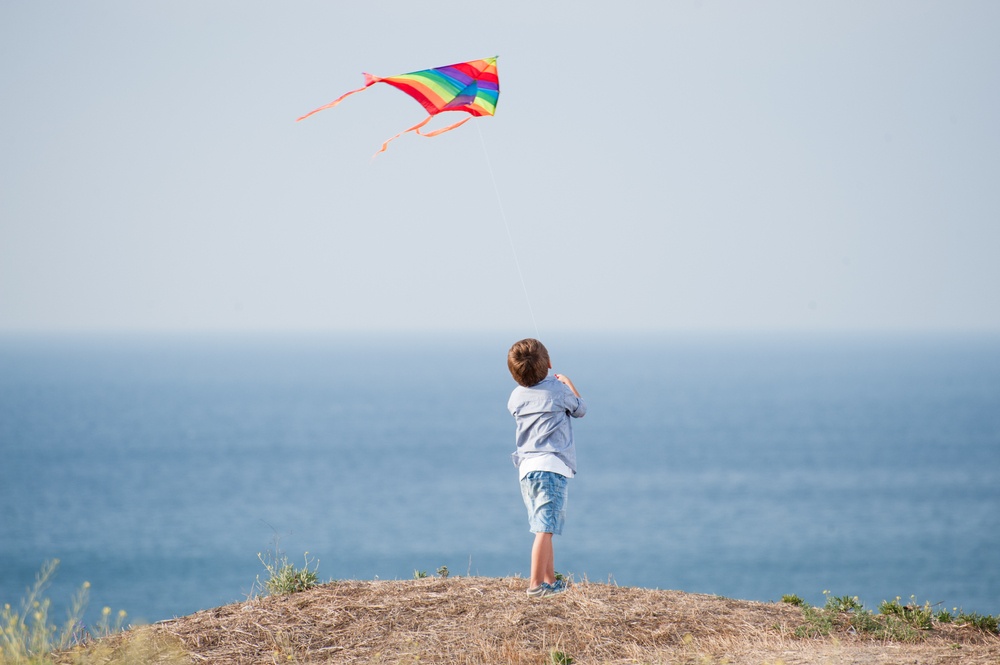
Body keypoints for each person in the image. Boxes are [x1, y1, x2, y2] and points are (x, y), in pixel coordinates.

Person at [506, 338, 586, 597]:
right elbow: (580, 409)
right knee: (544, 529)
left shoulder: (516, 396)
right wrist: (568, 384)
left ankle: (550, 582)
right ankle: (535, 586)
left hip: (526, 470)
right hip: (550, 467)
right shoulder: (558, 390)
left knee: (544, 526)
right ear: (549, 364)